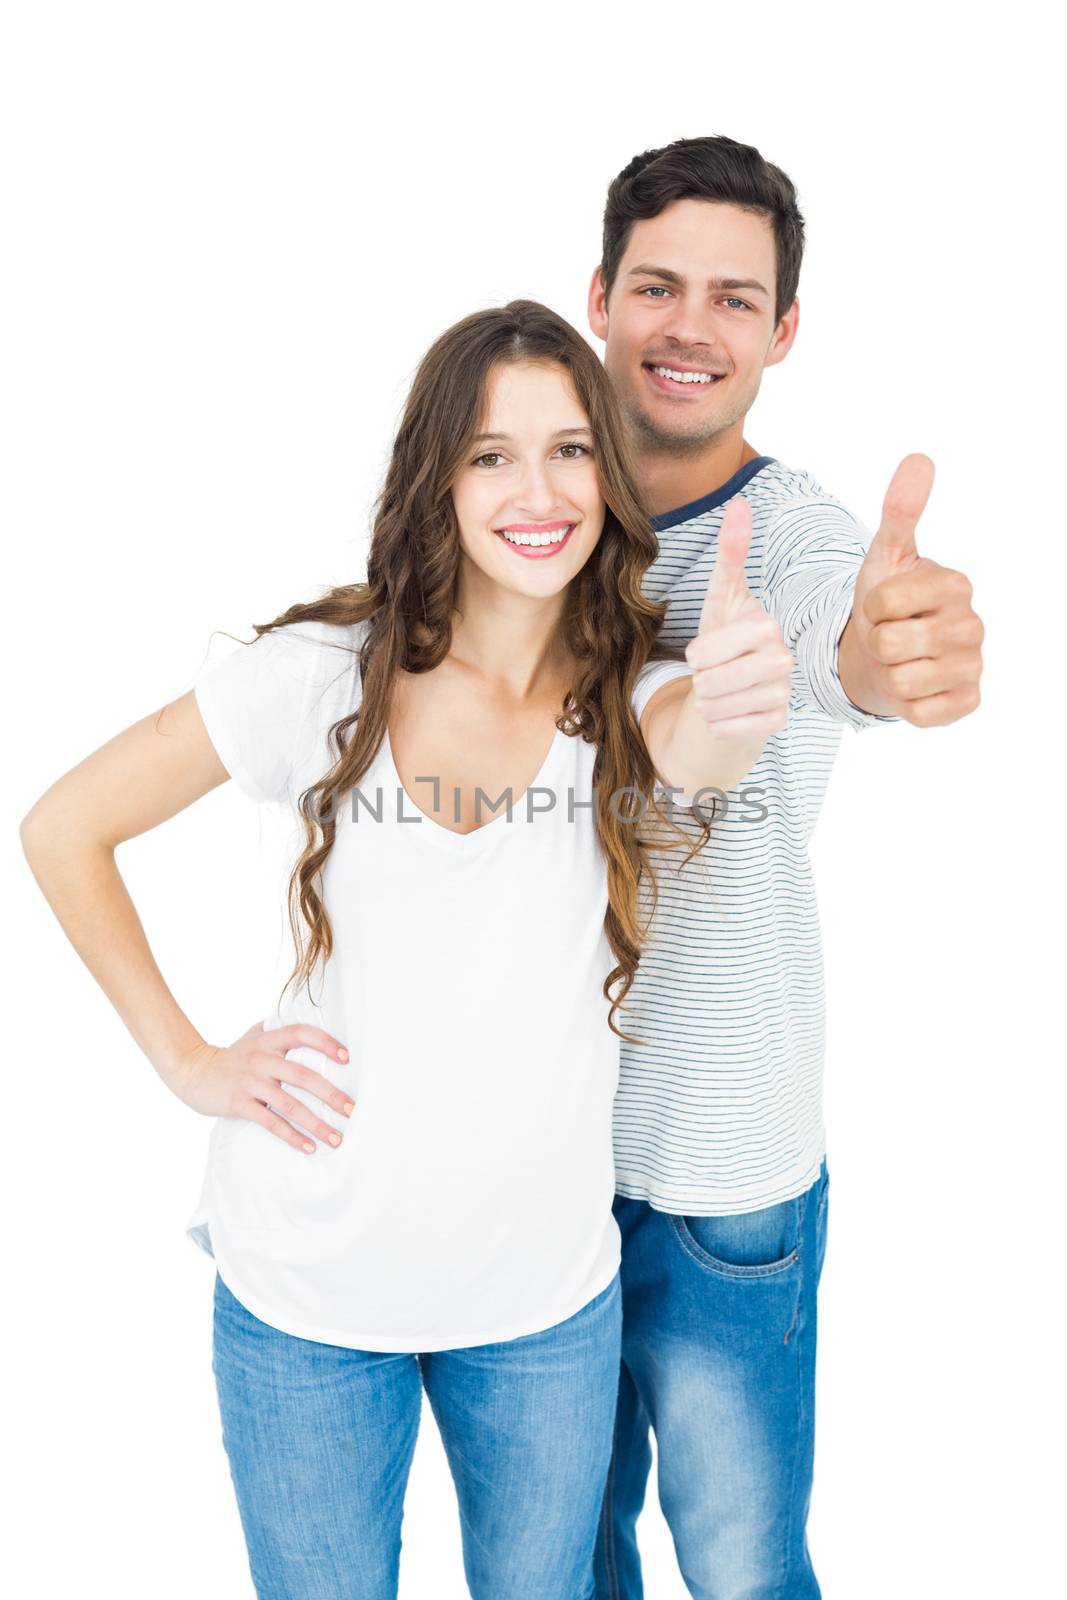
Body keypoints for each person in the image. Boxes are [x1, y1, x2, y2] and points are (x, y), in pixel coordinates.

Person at [19, 300, 796, 1600]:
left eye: (568, 449)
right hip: (309, 1298)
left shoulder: (631, 688)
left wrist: (734, 700)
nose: (535, 490)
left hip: (542, 1307)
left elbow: (699, 745)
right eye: (491, 454)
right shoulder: (327, 677)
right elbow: (64, 828)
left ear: (609, 471)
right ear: (438, 480)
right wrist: (190, 1060)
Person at [584, 136, 985, 1599]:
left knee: (743, 1566)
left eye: (735, 299)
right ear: (602, 299)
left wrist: (889, 656)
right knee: (561, 1563)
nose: (691, 327)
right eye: (659, 287)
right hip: (535, 1162)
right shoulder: (526, 520)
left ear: (782, 333)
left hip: (721, 1167)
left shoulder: (801, 538)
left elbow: (843, 639)